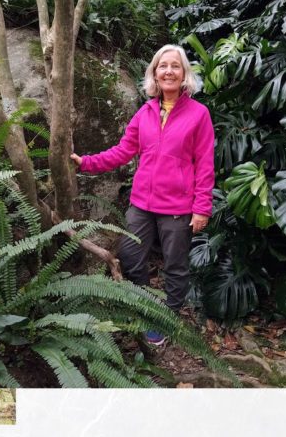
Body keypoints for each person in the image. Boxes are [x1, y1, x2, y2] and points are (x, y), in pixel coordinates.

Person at [70, 44, 214, 347]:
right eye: (163, 66)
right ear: (154, 73)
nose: (169, 71)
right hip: (142, 203)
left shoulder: (199, 115)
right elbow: (123, 151)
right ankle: (147, 306)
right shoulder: (145, 112)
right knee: (131, 256)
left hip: (178, 205)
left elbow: (205, 164)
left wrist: (202, 207)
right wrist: (86, 162)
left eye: (175, 66)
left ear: (184, 73)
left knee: (175, 264)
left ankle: (167, 316)